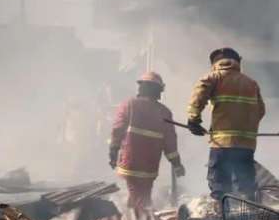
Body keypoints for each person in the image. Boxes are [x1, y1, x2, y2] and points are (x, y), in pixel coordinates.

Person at [187, 47, 265, 202]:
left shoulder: (214, 77)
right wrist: (245, 128)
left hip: (221, 143)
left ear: (215, 63)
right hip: (246, 143)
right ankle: (250, 211)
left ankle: (222, 213)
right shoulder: (251, 83)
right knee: (246, 183)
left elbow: (198, 96)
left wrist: (193, 120)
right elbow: (261, 111)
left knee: (220, 184)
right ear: (237, 62)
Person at [109, 71, 185, 209]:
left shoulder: (129, 105)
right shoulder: (164, 112)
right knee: (141, 198)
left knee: (136, 198)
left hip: (130, 164)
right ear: (159, 91)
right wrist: (177, 164)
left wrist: (113, 152)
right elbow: (170, 143)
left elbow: (117, 130)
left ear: (141, 88)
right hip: (149, 168)